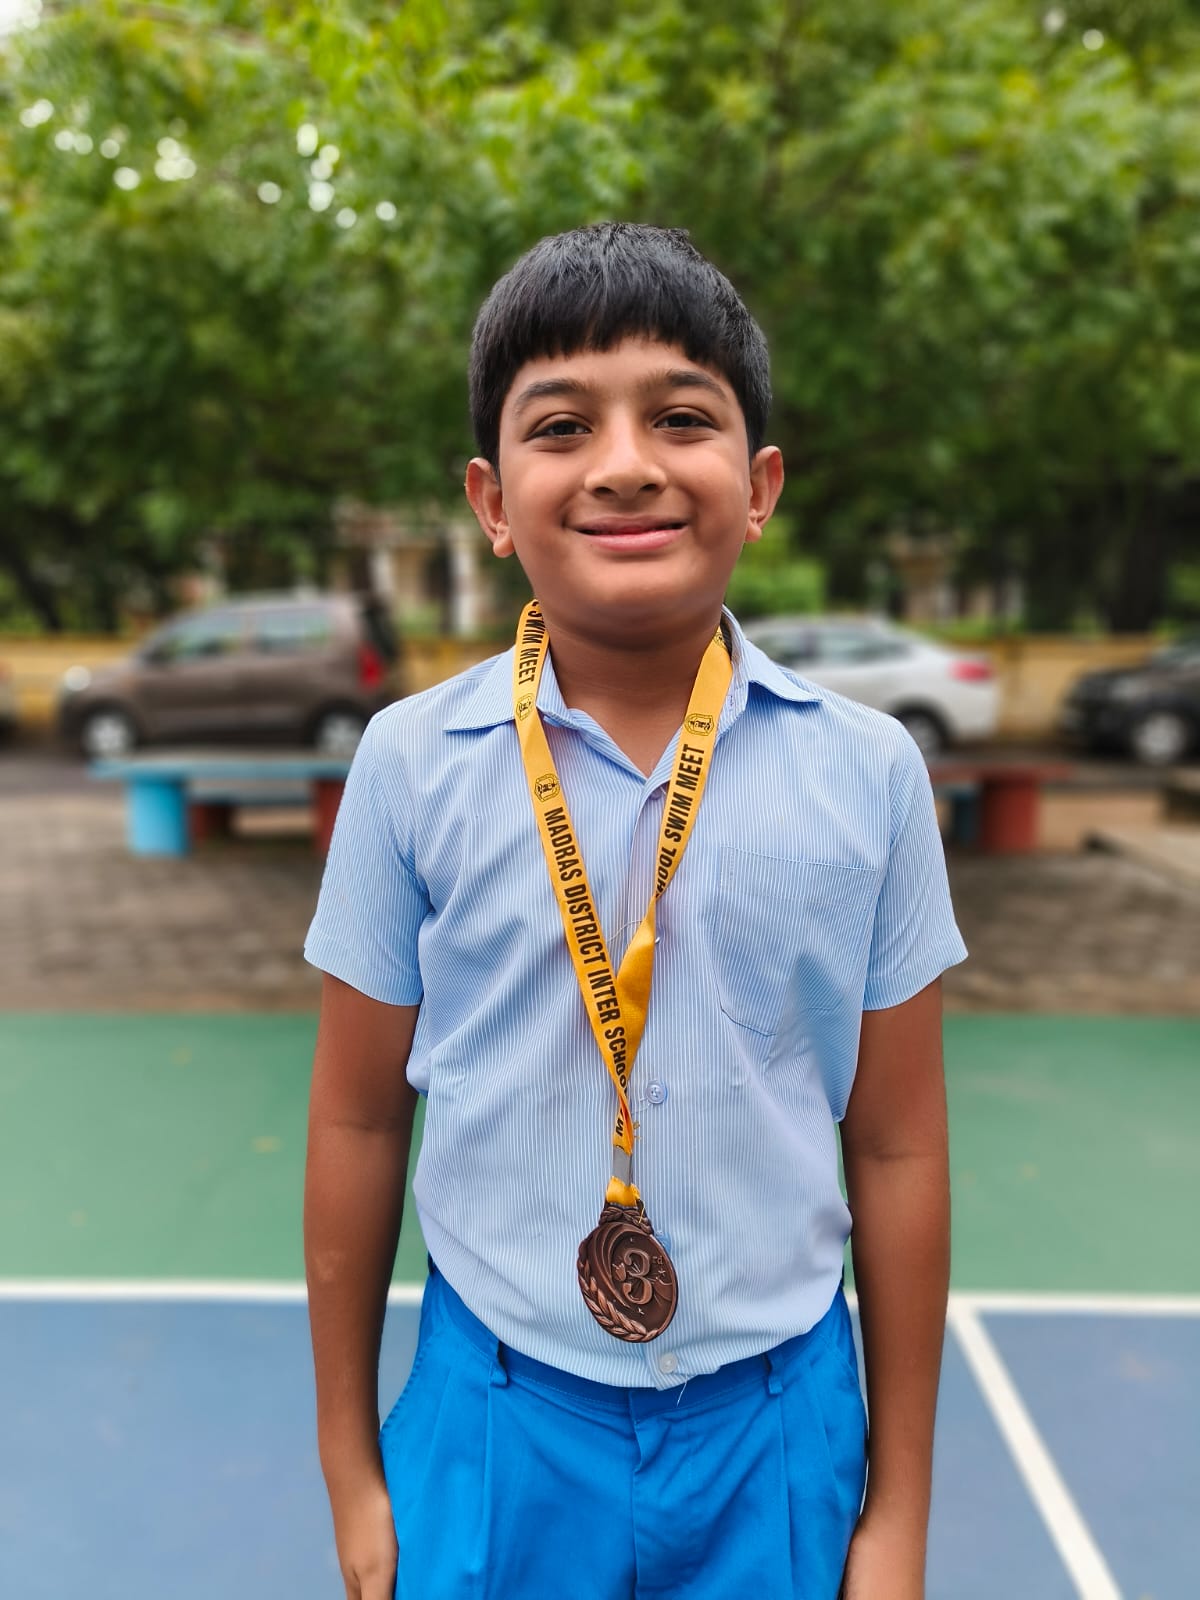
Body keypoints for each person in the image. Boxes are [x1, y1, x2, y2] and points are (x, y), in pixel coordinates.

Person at [303, 221, 967, 1600]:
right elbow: (359, 1116)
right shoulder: (412, 765)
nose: (624, 463)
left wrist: (898, 1513)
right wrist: (352, 1468)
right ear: (491, 499)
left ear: (761, 481)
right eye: (562, 425)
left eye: (681, 416)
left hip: (778, 1436)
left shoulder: (872, 772)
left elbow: (898, 1148)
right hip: (494, 1422)